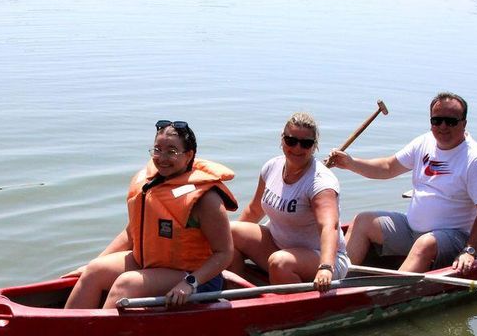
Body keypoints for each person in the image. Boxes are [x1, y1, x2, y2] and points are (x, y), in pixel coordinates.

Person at [64, 120, 237, 310]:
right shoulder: (150, 184)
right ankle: (66, 330)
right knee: (94, 271)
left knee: (127, 283)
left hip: (193, 276)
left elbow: (225, 253)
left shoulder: (206, 199)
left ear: (189, 155)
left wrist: (190, 283)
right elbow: (131, 232)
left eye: (171, 151)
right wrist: (92, 263)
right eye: (157, 149)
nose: (162, 158)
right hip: (149, 264)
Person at [326, 92, 477, 275]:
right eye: (437, 121)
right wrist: (350, 163)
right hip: (411, 227)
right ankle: (339, 281)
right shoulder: (424, 142)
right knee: (362, 220)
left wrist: (470, 250)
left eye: (451, 121)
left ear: (464, 123)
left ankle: (387, 294)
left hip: (453, 237)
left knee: (424, 244)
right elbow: (388, 167)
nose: (443, 126)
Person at [229, 112, 349, 293]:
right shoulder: (272, 167)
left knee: (280, 262)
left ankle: (290, 310)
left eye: (306, 143)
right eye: (291, 141)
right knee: (230, 232)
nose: (298, 148)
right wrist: (222, 248)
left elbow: (329, 226)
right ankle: (235, 295)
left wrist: (325, 267)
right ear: (282, 139)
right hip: (279, 245)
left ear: (314, 146)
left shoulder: (321, 182)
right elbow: (254, 210)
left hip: (323, 258)